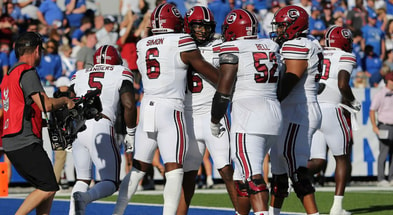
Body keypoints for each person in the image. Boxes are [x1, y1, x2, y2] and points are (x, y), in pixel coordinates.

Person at [113, 3, 219, 215]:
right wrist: (227, 81)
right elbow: (206, 71)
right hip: (171, 109)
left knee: (137, 168)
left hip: (148, 107)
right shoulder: (182, 40)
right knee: (174, 169)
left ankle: (117, 212)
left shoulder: (142, 43)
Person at [211, 8, 282, 215]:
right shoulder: (271, 45)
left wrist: (215, 120)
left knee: (252, 177)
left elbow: (223, 92)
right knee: (240, 179)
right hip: (273, 112)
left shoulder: (234, 47)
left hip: (248, 116)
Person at [0, 31, 75, 215]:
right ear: (36, 51)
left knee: (47, 187)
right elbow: (47, 105)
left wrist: (41, 123)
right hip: (24, 140)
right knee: (49, 186)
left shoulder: (8, 76)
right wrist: (65, 101)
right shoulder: (27, 72)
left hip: (12, 140)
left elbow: (20, 110)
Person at [178, 5, 238, 215]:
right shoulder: (178, 45)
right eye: (198, 26)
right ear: (188, 26)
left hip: (214, 115)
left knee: (227, 170)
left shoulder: (220, 45)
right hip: (188, 116)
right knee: (188, 175)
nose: (202, 30)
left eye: (206, 26)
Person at [68, 45, 137, 215]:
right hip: (101, 123)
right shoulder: (121, 71)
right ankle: (85, 198)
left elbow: (68, 103)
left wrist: (68, 130)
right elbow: (129, 104)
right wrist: (131, 132)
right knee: (111, 182)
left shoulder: (80, 74)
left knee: (82, 178)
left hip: (78, 127)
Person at [269, 5, 322, 215]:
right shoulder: (307, 43)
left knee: (297, 172)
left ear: (294, 26)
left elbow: (290, 80)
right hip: (293, 110)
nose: (279, 30)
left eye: (282, 26)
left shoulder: (297, 44)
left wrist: (268, 99)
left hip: (298, 110)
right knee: (279, 173)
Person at [307, 26, 361, 215]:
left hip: (313, 108)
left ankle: (293, 175)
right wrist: (353, 101)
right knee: (342, 158)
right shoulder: (345, 56)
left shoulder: (318, 52)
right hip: (332, 111)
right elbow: (342, 84)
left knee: (317, 161)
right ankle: (337, 207)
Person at [369, 72, 393, 187]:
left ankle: (391, 177)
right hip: (384, 125)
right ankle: (381, 178)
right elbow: (372, 110)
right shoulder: (380, 94)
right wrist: (374, 126)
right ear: (388, 81)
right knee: (384, 152)